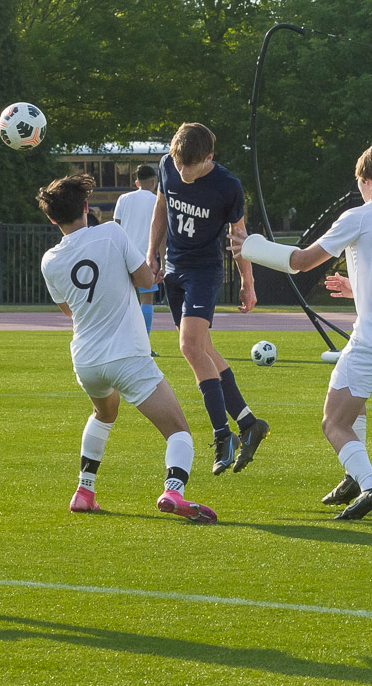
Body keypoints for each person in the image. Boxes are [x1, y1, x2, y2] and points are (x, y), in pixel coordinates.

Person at [228, 143, 372, 520]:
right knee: (357, 397)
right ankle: (353, 476)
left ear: (366, 180)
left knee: (333, 421)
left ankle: (370, 485)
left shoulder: (360, 216)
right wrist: (358, 288)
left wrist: (251, 246)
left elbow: (301, 262)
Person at [38, 174, 215, 523]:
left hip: (86, 360)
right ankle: (174, 491)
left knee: (104, 413)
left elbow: (69, 311)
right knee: (178, 429)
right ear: (87, 208)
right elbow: (146, 280)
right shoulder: (111, 233)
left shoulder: (49, 260)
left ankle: (84, 490)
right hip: (128, 355)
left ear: (52, 219)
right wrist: (148, 274)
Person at [146, 122, 270, 476]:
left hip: (204, 271)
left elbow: (239, 236)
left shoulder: (228, 185)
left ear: (209, 158)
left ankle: (222, 435)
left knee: (189, 347)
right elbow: (161, 206)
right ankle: (249, 423)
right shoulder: (168, 165)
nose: (183, 171)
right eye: (179, 163)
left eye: (191, 165)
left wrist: (248, 281)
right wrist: (152, 251)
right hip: (174, 269)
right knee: (205, 351)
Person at [113, 164, 160, 353]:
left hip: (124, 257)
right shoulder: (157, 201)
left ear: (136, 182)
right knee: (146, 301)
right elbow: (162, 232)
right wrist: (161, 260)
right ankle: (143, 346)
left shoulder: (123, 199)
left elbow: (116, 228)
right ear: (154, 181)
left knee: (123, 303)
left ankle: (122, 345)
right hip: (147, 258)